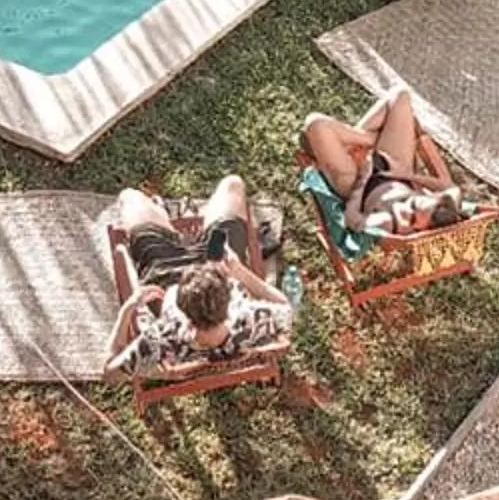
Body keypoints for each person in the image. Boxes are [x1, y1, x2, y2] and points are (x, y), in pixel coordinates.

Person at [103, 176, 297, 378]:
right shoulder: (252, 320)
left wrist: (127, 309)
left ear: (183, 313)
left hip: (165, 272)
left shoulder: (162, 339)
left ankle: (166, 217)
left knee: (129, 197)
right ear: (229, 305)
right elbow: (286, 305)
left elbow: (108, 372)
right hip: (215, 262)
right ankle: (198, 226)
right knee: (232, 184)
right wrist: (240, 272)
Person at [300, 88, 465, 237]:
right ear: (435, 198)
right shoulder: (447, 207)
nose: (407, 207)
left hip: (356, 182)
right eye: (414, 201)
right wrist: (405, 175)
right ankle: (364, 140)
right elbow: (451, 187)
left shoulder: (387, 221)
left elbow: (352, 220)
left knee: (315, 123)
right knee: (400, 96)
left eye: (413, 216)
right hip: (394, 170)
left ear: (423, 229)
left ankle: (355, 141)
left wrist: (363, 178)